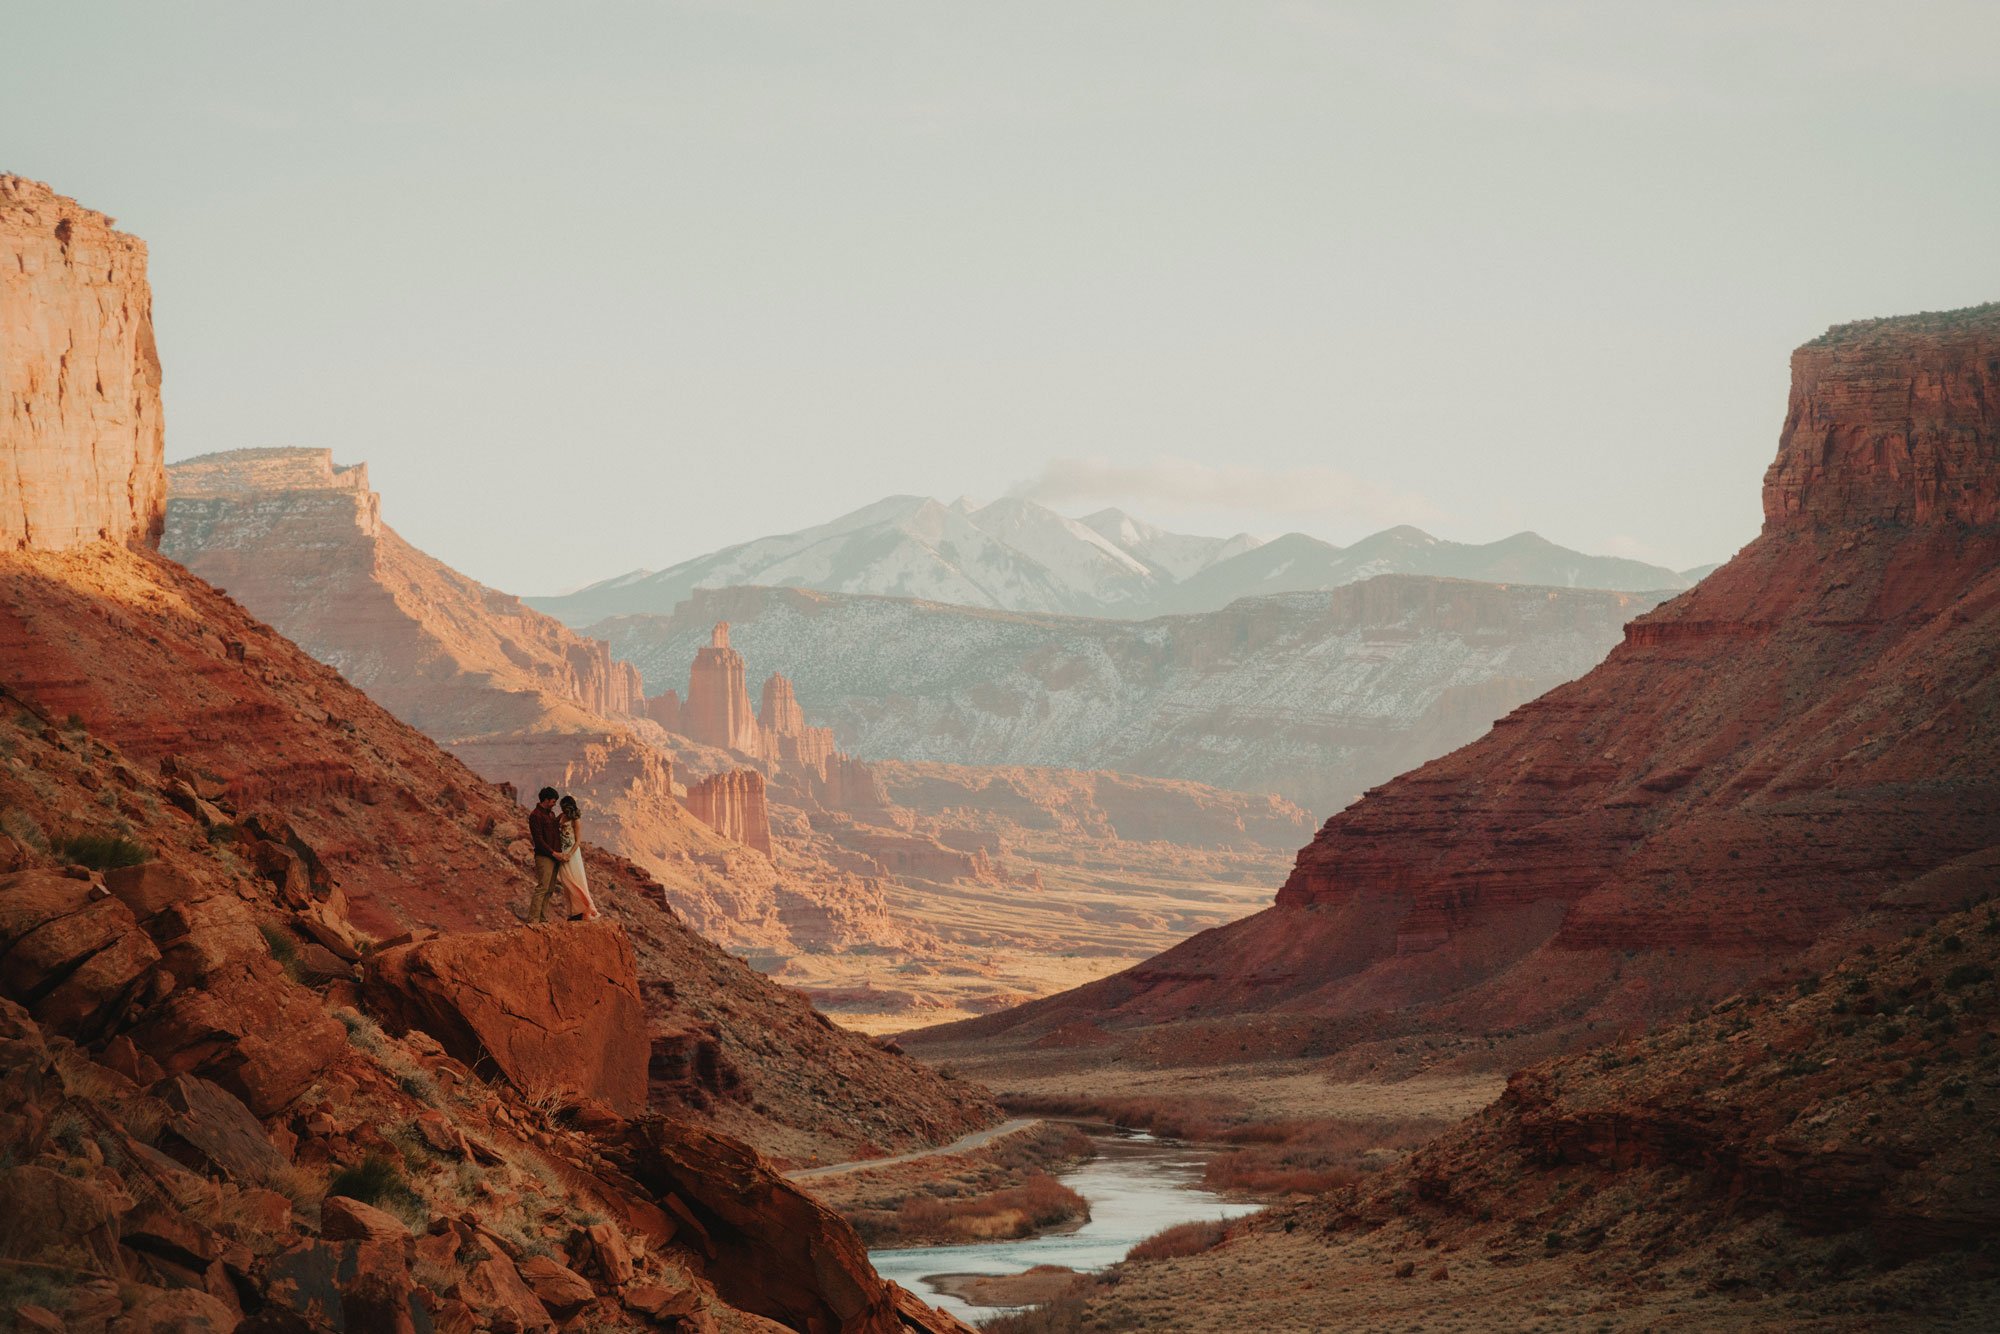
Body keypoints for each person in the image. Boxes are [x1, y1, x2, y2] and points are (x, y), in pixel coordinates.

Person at [555, 794, 600, 921]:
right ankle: (573, 912)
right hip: (562, 853)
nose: (562, 808)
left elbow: (578, 840)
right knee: (566, 882)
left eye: (564, 806)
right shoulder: (561, 816)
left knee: (576, 880)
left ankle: (585, 909)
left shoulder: (576, 819)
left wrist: (570, 854)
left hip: (572, 854)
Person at [526, 786, 563, 923]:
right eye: (553, 801)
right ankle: (533, 920)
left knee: (550, 889)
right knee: (542, 888)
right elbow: (539, 840)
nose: (554, 804)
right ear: (546, 800)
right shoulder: (535, 815)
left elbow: (554, 829)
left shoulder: (550, 814)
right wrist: (553, 853)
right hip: (545, 856)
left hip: (554, 857)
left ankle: (542, 918)